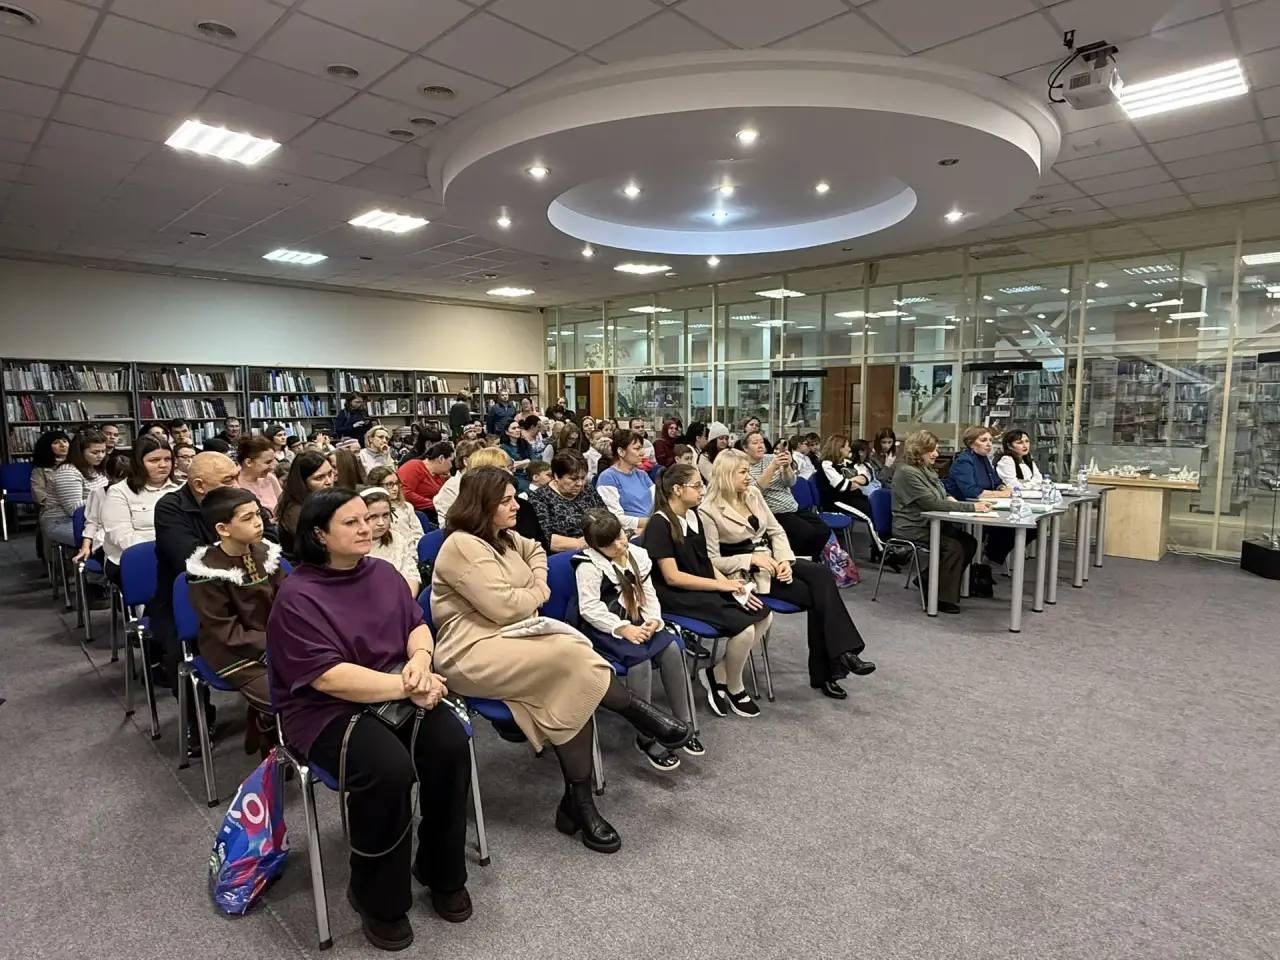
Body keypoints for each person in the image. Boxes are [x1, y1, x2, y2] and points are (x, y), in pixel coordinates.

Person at [431, 467, 691, 854]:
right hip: (470, 649)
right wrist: (538, 591)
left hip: (514, 636)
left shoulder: (503, 536)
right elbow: (504, 608)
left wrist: (532, 584)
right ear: (481, 506)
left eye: (513, 497)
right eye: (505, 500)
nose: (516, 505)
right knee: (573, 654)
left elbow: (537, 550)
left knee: (575, 679)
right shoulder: (461, 546)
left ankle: (578, 804)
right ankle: (636, 713)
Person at [267, 488, 474, 949]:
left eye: (369, 519)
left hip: (397, 687)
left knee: (449, 745)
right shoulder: (297, 596)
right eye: (352, 522)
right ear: (319, 535)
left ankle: (440, 870)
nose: (368, 528)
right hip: (325, 709)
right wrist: (411, 686)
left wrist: (420, 661)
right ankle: (376, 897)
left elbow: (416, 626)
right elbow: (328, 678)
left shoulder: (382, 573)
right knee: (387, 770)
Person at [701, 450, 875, 701]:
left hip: (771, 560)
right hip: (745, 572)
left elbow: (776, 531)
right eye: (743, 472)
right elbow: (712, 562)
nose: (749, 476)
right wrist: (752, 560)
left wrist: (784, 560)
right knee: (819, 596)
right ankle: (833, 667)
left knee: (821, 574)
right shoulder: (708, 510)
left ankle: (841, 657)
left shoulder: (752, 494)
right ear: (726, 475)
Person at [640, 463, 773, 717]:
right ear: (677, 489)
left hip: (702, 585)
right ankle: (734, 686)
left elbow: (706, 563)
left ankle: (718, 674)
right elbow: (672, 577)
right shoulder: (660, 523)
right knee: (744, 629)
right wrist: (722, 585)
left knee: (765, 614)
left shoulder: (694, 515)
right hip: (675, 595)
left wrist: (732, 587)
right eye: (697, 486)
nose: (702, 490)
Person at [574, 508, 700, 768]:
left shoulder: (636, 554)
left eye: (620, 536)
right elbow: (589, 609)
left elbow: (648, 593)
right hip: (605, 626)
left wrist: (653, 620)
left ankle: (682, 723)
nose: (619, 545)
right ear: (596, 547)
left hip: (638, 619)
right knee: (639, 660)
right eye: (610, 545)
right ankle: (647, 735)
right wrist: (622, 628)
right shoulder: (588, 565)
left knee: (671, 648)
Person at [186, 487, 287, 757]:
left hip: (276, 638)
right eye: (247, 518)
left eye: (258, 514)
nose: (258, 522)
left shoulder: (265, 552)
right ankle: (270, 736)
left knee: (320, 682)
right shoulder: (207, 570)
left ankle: (270, 724)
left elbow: (287, 599)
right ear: (223, 529)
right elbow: (223, 629)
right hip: (233, 650)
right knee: (287, 697)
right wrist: (272, 644)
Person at [892, 430, 991, 613]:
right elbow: (931, 503)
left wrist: (952, 500)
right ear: (919, 450)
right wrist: (971, 507)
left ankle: (928, 579)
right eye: (932, 450)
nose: (936, 454)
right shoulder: (907, 473)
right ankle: (939, 598)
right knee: (953, 547)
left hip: (930, 524)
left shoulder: (926, 469)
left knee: (969, 542)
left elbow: (942, 494)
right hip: (912, 526)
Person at [945, 425, 1028, 566]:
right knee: (1008, 528)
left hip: (986, 505)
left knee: (1025, 526)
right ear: (971, 443)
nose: (989, 444)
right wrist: (1001, 494)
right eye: (983, 440)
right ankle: (986, 562)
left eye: (990, 440)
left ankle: (988, 560)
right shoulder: (964, 461)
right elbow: (972, 492)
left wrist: (1002, 487)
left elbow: (996, 481)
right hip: (965, 507)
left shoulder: (983, 459)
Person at [100, 434, 180, 579]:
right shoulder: (119, 491)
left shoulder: (181, 488)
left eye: (167, 459)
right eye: (154, 460)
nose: (163, 465)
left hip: (176, 555)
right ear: (139, 463)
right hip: (134, 557)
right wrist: (165, 551)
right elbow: (122, 537)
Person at [742, 432, 829, 558]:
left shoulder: (772, 458)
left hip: (791, 506)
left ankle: (809, 559)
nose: (760, 446)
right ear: (745, 448)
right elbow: (754, 492)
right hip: (773, 511)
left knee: (823, 530)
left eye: (761, 442)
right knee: (807, 533)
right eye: (755, 443)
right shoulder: (743, 466)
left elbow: (790, 482)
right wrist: (773, 467)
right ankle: (795, 560)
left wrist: (787, 467)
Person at [529, 450, 608, 553]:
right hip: (567, 553)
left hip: (600, 545)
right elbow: (546, 539)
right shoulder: (539, 498)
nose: (580, 484)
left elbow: (606, 516)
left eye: (583, 478)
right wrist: (583, 543)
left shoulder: (587, 489)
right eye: (573, 479)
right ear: (556, 476)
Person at [43, 429, 108, 551]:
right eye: (95, 452)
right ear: (80, 452)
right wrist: (103, 498)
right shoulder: (68, 472)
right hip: (62, 522)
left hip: (93, 519)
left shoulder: (95, 468)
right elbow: (74, 509)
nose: (100, 456)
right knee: (107, 539)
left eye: (103, 451)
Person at [361, 487, 421, 596]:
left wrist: (406, 601)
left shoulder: (397, 539)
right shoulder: (352, 547)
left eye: (385, 515)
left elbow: (411, 576)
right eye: (373, 517)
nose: (381, 523)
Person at [276, 451, 336, 557]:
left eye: (330, 474)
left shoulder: (327, 499)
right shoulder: (295, 511)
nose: (329, 481)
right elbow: (318, 547)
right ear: (303, 482)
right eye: (319, 478)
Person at [595, 429, 654, 533]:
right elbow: (616, 518)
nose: (642, 453)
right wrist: (652, 522)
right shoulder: (607, 478)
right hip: (628, 533)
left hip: (650, 528)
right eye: (637, 449)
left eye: (642, 448)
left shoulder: (642, 475)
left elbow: (659, 501)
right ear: (621, 452)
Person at [367, 466, 425, 547]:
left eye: (396, 483)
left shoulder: (406, 506)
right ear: (377, 486)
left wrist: (414, 548)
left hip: (412, 549)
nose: (395, 488)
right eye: (389, 484)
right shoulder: (370, 511)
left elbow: (418, 534)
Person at [816, 434, 873, 517]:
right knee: (867, 515)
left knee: (874, 507)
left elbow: (866, 477)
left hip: (853, 498)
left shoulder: (846, 462)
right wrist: (853, 482)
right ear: (840, 448)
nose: (850, 449)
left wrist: (850, 480)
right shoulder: (826, 464)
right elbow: (842, 485)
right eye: (848, 446)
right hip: (836, 502)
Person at [432, 439, 482, 526]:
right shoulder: (450, 489)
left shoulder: (482, 483)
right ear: (466, 461)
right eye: (480, 459)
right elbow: (449, 524)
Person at [235, 435, 283, 519]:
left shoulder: (270, 478)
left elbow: (283, 507)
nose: (273, 467)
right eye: (268, 462)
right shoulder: (235, 484)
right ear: (248, 462)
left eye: (273, 461)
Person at [29, 429, 70, 521]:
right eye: (56, 442)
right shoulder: (39, 470)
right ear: (47, 446)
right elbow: (40, 496)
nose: (62, 445)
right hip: (54, 511)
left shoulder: (77, 465)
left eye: (65, 441)